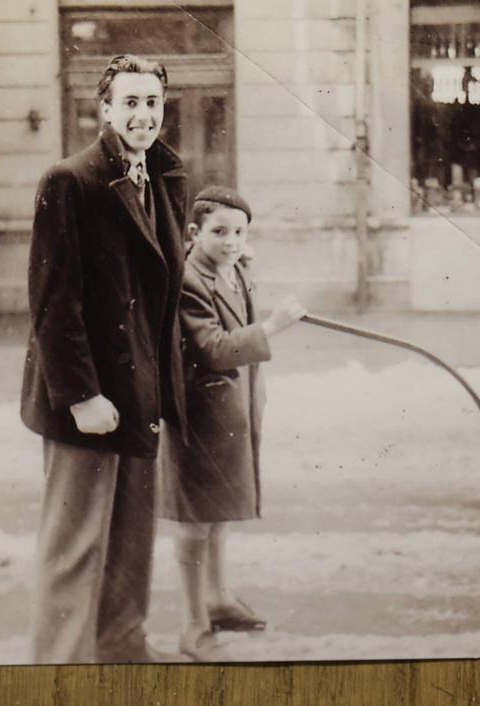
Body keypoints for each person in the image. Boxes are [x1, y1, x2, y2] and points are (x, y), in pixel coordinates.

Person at [20, 54, 189, 664]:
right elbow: (52, 303)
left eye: (153, 103)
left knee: (130, 538)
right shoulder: (71, 180)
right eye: (131, 103)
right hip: (89, 399)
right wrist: (81, 396)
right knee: (75, 547)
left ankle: (122, 648)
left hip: (141, 391)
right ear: (106, 110)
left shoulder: (164, 178)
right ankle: (60, 666)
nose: (144, 115)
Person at [158, 186, 307, 661]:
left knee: (218, 512)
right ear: (193, 233)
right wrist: (274, 326)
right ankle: (192, 626)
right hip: (198, 415)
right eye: (219, 232)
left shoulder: (234, 266)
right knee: (194, 521)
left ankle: (217, 599)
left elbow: (234, 300)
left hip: (231, 409)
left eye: (240, 233)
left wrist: (238, 261)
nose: (232, 241)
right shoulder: (188, 279)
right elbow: (213, 348)